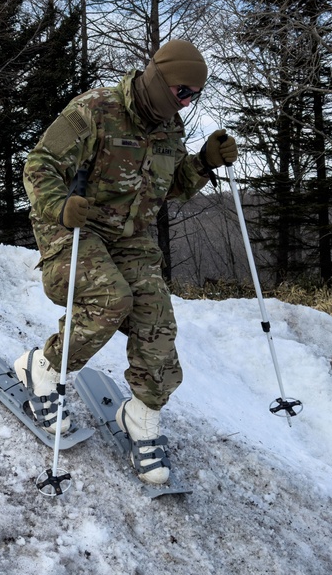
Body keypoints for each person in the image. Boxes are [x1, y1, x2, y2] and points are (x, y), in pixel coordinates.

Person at [14, 40, 237, 485]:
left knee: (157, 319)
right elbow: (38, 165)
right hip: (73, 230)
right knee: (111, 299)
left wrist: (204, 164)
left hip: (129, 239)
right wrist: (60, 207)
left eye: (195, 95)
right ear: (157, 78)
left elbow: (166, 189)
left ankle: (141, 414)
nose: (187, 102)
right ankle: (41, 368)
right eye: (181, 92)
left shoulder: (169, 130)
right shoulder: (95, 109)